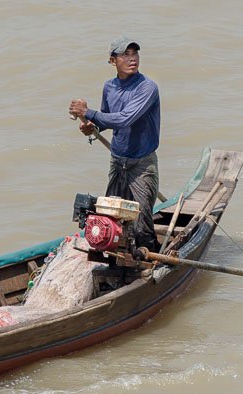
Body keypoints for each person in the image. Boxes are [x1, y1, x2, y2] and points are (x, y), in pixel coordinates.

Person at [68, 35, 161, 251]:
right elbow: (108, 119)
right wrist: (92, 126)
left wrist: (89, 112)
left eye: (135, 54)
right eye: (125, 55)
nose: (132, 59)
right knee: (111, 215)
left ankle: (148, 260)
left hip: (141, 165)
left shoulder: (147, 88)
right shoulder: (109, 87)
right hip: (118, 160)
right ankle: (115, 254)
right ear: (112, 61)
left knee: (141, 221)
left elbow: (125, 118)